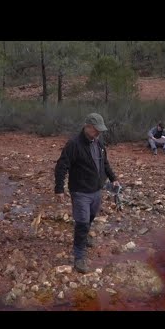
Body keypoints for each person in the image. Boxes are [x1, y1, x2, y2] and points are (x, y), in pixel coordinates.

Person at [54, 112, 120, 274]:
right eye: (95, 129)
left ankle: (84, 236)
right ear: (87, 127)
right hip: (80, 191)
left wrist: (113, 179)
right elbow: (61, 166)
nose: (98, 133)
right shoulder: (74, 144)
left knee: (90, 217)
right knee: (82, 222)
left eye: (100, 130)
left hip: (96, 189)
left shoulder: (99, 144)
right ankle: (79, 256)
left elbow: (105, 164)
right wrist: (59, 189)